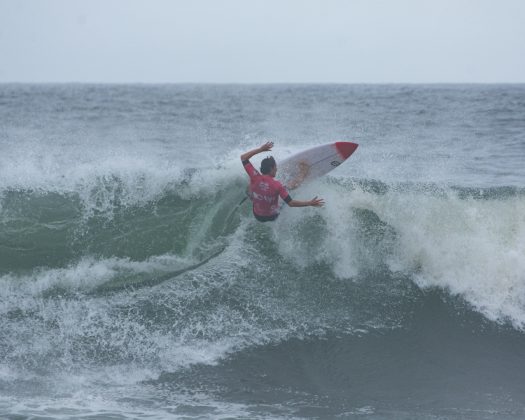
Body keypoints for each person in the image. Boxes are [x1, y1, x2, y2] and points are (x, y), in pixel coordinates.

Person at [240, 141, 324, 222]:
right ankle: (303, 171)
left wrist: (261, 149)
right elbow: (291, 203)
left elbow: (243, 157)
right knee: (287, 187)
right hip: (272, 216)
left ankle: (250, 196)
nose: (276, 169)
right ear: (271, 169)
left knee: (250, 185)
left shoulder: (254, 176)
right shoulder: (277, 185)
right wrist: (309, 203)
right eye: (275, 167)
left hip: (257, 215)